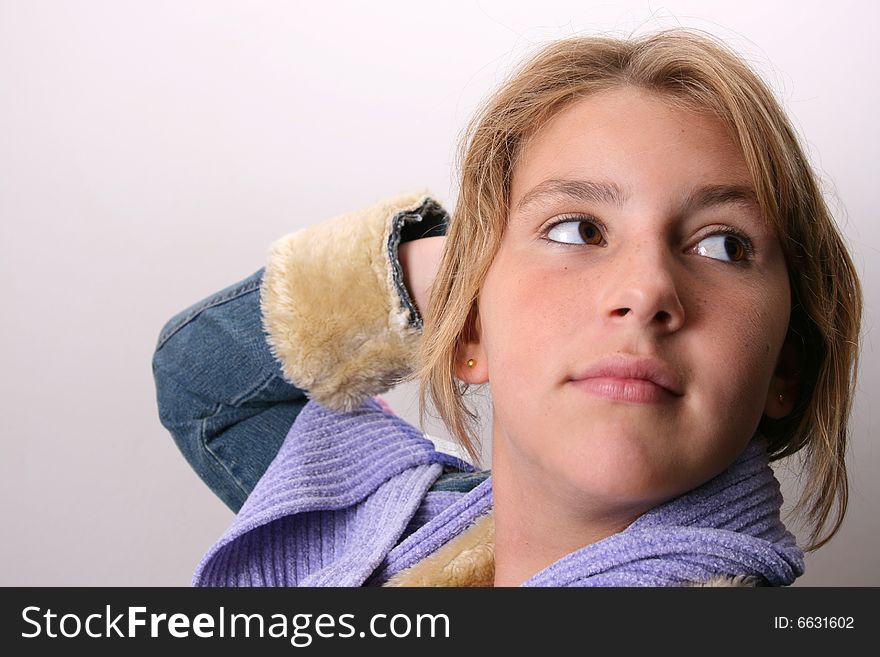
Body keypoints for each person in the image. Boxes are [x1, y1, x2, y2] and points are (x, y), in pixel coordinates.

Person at [152, 29, 862, 587]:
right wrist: (464, 276)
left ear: (787, 364)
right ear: (465, 331)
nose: (646, 290)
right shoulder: (392, 533)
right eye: (579, 229)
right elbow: (207, 382)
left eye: (724, 245)